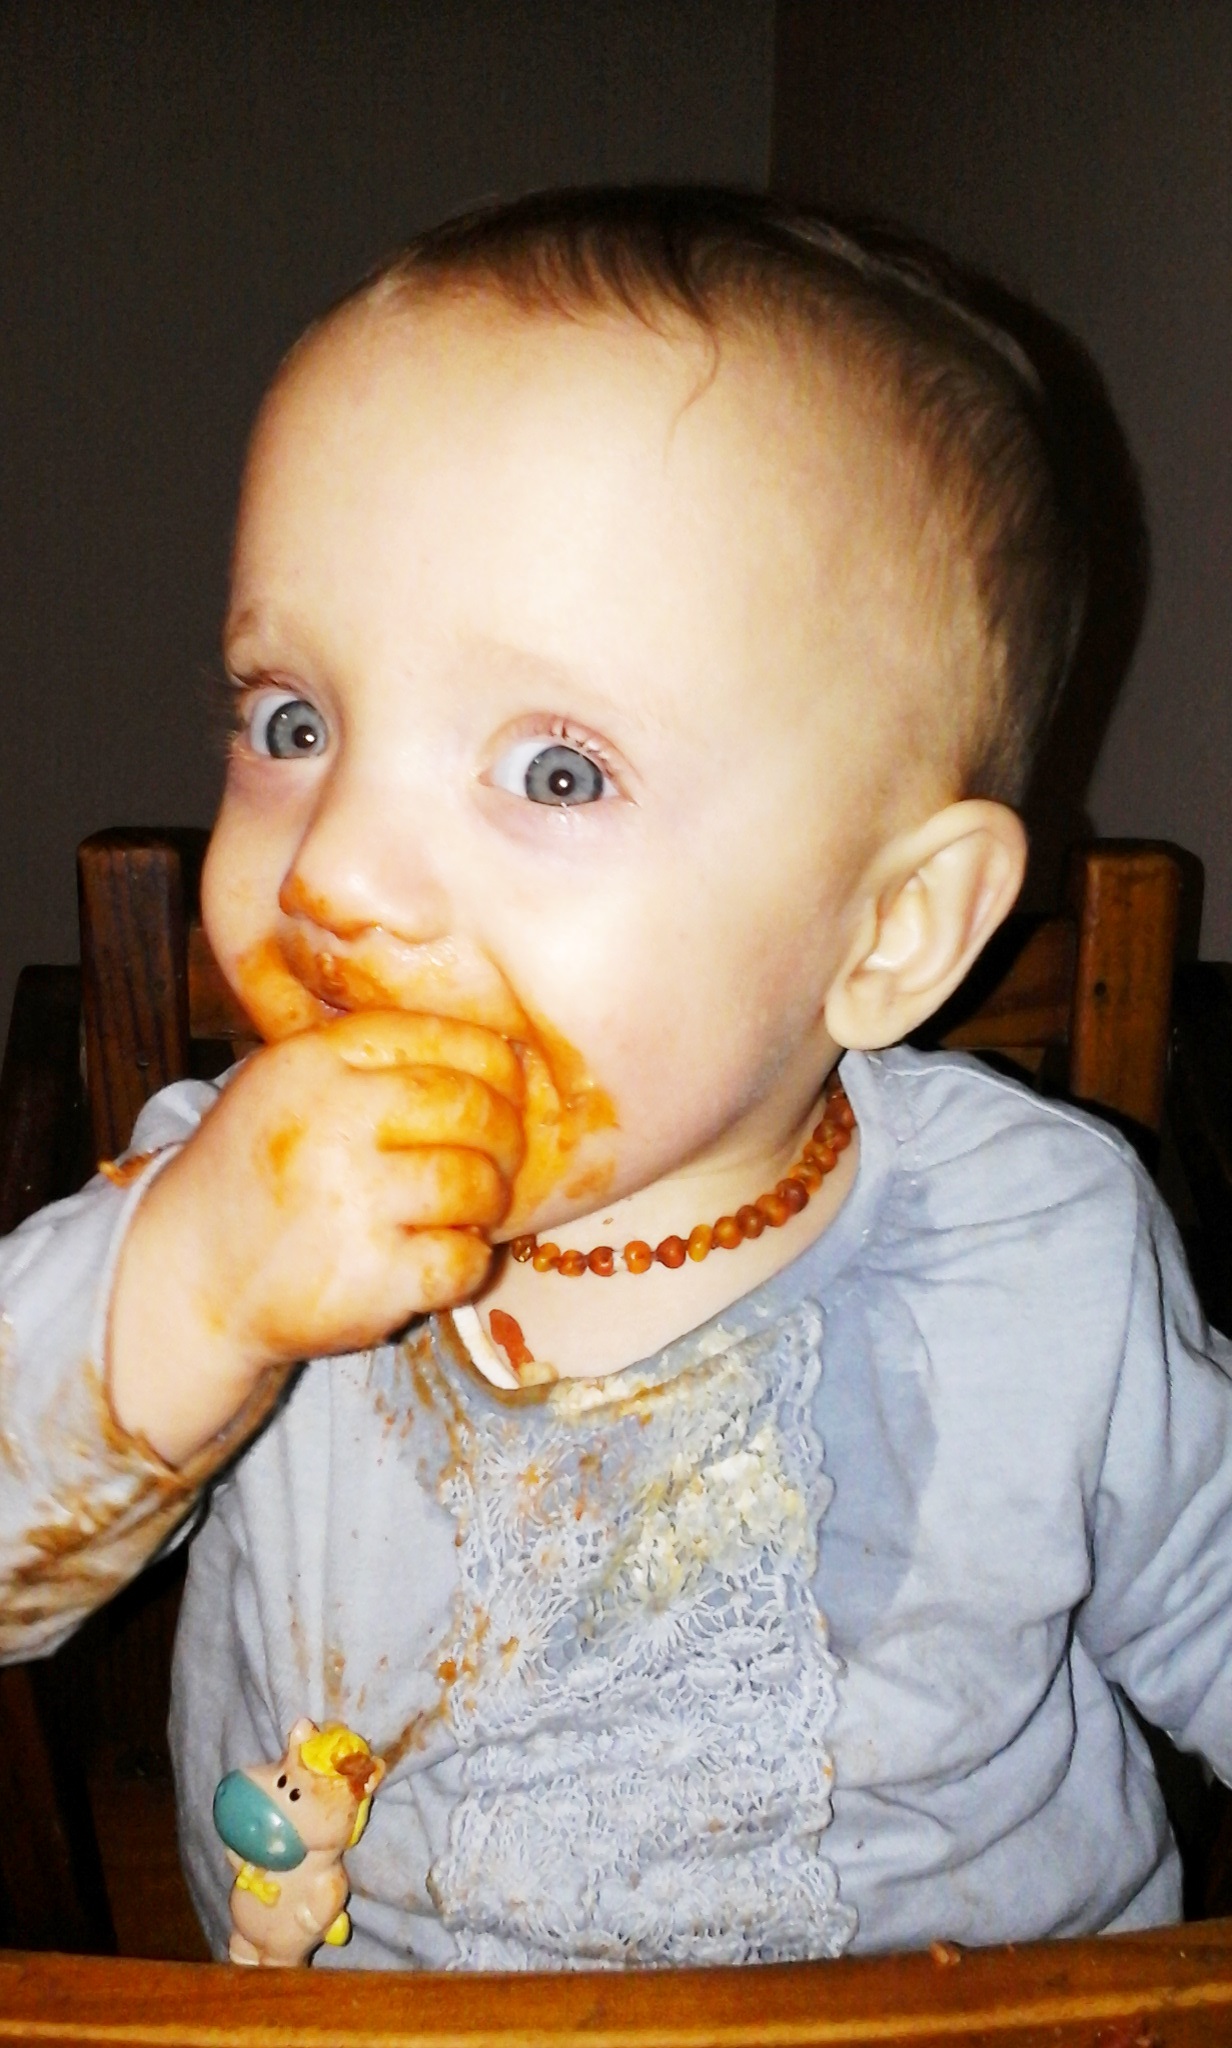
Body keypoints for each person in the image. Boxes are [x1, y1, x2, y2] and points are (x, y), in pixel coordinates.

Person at [1, 187, 1229, 1969]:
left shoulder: (1035, 1246)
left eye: (557, 771)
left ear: (891, 928)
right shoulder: (233, 1214)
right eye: (292, 723)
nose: (335, 868)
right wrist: (188, 1297)